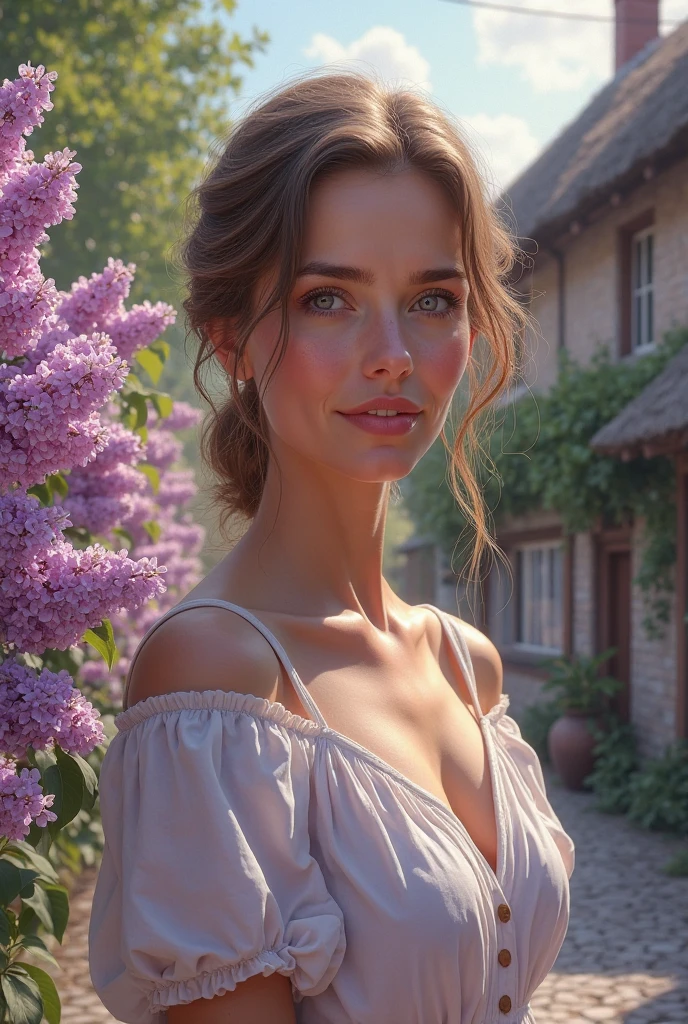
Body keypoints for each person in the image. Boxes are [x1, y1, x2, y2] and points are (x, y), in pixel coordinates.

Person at [88, 70, 575, 1024]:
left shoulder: (465, 664)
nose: (391, 350)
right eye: (327, 298)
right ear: (232, 340)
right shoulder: (218, 684)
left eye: (433, 300)